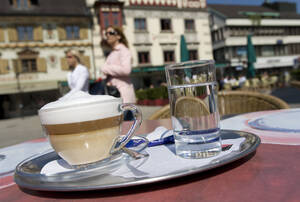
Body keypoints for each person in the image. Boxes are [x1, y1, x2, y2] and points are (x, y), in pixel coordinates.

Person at [101, 26, 136, 104]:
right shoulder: (112, 53)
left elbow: (126, 70)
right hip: (115, 93)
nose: (108, 35)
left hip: (124, 95)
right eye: (106, 33)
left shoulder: (124, 50)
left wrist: (106, 69)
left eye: (111, 33)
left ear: (119, 36)